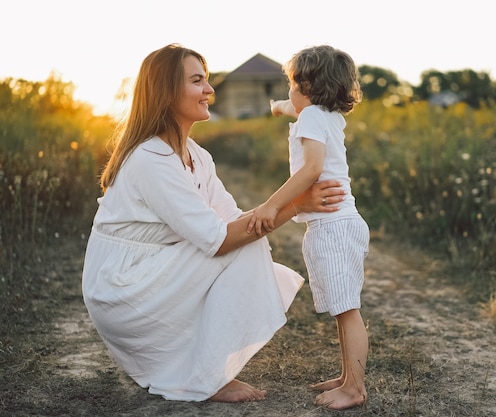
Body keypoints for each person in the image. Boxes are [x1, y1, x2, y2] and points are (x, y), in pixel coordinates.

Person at [81, 43, 345, 403]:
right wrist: (296, 203)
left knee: (249, 241)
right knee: (242, 245)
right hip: (124, 286)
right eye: (197, 81)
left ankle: (208, 367)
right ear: (165, 91)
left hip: (155, 271)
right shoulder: (150, 158)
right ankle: (208, 377)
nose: (210, 90)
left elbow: (233, 221)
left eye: (206, 80)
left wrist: (285, 208)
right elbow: (220, 240)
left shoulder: (198, 156)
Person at [247, 45, 370, 410]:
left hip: (332, 226)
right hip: (341, 223)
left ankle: (355, 388)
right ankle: (348, 376)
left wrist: (273, 204)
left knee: (347, 311)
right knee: (341, 307)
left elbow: (312, 168)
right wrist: (278, 107)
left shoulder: (313, 117)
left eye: (290, 84)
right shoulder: (326, 114)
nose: (288, 92)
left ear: (307, 86)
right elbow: (292, 108)